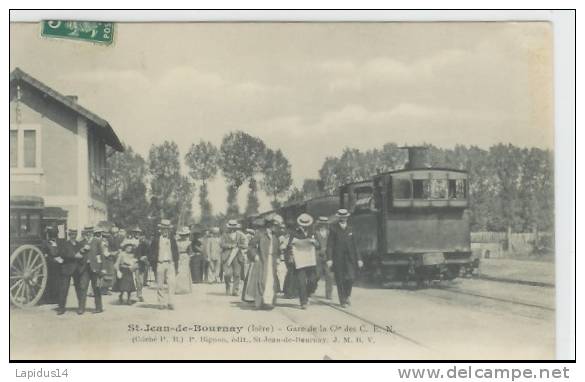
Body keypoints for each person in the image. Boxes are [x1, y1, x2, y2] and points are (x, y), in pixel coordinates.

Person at [326, 209, 363, 308]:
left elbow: (356, 245)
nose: (343, 218)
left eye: (345, 216)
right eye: (342, 216)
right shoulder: (333, 229)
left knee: (350, 277)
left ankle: (347, 296)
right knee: (340, 279)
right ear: (339, 217)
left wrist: (359, 259)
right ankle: (342, 300)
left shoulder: (351, 228)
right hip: (338, 258)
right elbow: (329, 245)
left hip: (350, 258)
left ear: (347, 217)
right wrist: (329, 259)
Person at [243, 215, 282, 309]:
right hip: (262, 259)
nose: (276, 228)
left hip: (271, 261)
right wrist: (255, 255)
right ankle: (258, 302)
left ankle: (268, 301)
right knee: (260, 280)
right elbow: (251, 246)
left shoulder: (275, 237)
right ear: (269, 225)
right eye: (274, 225)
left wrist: (278, 257)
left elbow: (277, 250)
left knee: (270, 281)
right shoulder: (260, 234)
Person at [286, 213, 320, 310]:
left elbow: (319, 245)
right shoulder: (294, 233)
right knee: (301, 282)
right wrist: (291, 256)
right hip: (299, 261)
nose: (304, 226)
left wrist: (315, 242)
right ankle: (303, 302)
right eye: (302, 224)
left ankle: (309, 293)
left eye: (306, 224)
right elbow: (289, 246)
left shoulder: (312, 232)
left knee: (313, 280)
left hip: (310, 261)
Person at [149, 219, 179, 310]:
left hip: (170, 263)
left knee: (172, 283)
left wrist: (176, 264)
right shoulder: (156, 240)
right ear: (160, 229)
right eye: (163, 229)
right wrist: (153, 263)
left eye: (167, 229)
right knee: (160, 284)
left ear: (169, 230)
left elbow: (176, 252)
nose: (165, 231)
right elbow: (151, 252)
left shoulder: (172, 240)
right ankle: (161, 303)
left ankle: (170, 302)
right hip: (160, 263)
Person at [54, 228, 83, 315]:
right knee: (64, 289)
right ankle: (61, 308)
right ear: (69, 235)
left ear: (76, 235)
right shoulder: (64, 244)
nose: (73, 236)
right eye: (71, 234)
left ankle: (80, 308)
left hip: (77, 269)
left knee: (79, 289)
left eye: (74, 234)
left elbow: (83, 254)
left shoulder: (79, 244)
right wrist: (74, 256)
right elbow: (62, 254)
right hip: (66, 268)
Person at [78, 226, 106, 314]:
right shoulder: (82, 242)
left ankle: (99, 307)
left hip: (95, 268)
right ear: (84, 233)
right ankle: (81, 308)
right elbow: (79, 254)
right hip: (85, 268)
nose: (88, 234)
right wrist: (82, 250)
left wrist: (103, 269)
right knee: (83, 288)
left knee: (96, 288)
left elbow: (101, 255)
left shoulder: (97, 241)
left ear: (92, 233)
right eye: (87, 232)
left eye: (90, 232)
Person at [220, 220, 247, 296]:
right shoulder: (224, 235)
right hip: (227, 257)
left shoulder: (240, 234)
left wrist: (239, 245)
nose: (232, 229)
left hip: (237, 256)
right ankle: (227, 288)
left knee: (237, 274)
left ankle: (235, 290)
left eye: (234, 227)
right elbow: (221, 244)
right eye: (231, 227)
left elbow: (245, 244)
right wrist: (230, 246)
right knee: (227, 274)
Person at [114, 239, 139, 305]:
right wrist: (118, 271)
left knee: (130, 286)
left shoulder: (132, 255)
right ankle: (121, 296)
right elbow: (117, 263)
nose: (129, 249)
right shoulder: (121, 254)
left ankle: (128, 299)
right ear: (125, 248)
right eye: (128, 248)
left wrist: (134, 266)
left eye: (130, 248)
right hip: (123, 270)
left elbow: (135, 263)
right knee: (122, 286)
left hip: (129, 271)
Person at [314, 216, 334, 300]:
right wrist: (315, 244)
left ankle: (328, 294)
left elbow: (333, 243)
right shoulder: (315, 233)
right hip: (317, 255)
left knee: (329, 275)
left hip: (328, 255)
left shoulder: (330, 233)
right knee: (317, 274)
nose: (323, 225)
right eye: (321, 224)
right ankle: (312, 288)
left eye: (324, 224)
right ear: (319, 224)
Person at [130, 227, 149, 302]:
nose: (137, 234)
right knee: (132, 279)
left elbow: (148, 252)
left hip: (141, 263)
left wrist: (145, 258)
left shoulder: (144, 242)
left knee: (140, 281)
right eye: (135, 233)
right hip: (132, 261)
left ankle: (139, 293)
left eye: (138, 233)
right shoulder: (130, 241)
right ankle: (133, 295)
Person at [175, 227, 193, 294]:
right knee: (179, 272)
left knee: (185, 272)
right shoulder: (177, 242)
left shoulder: (188, 242)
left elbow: (190, 251)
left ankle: (185, 288)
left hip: (185, 257)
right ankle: (178, 288)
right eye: (182, 235)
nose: (184, 236)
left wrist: (189, 257)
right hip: (178, 256)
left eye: (185, 235)